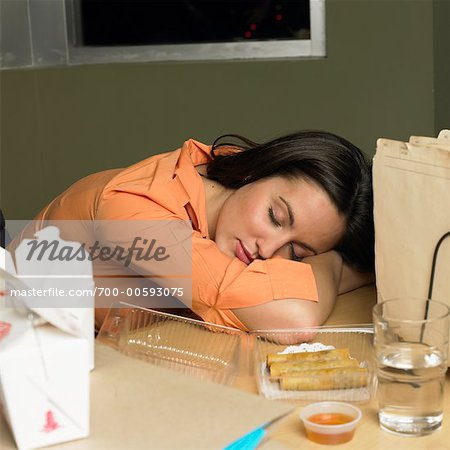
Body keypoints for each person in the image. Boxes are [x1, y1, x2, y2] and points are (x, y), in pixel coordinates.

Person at [10, 130, 374, 332]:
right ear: (255, 171)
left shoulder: (230, 191)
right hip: (25, 344)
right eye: (276, 217)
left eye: (297, 253)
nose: (270, 250)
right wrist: (336, 265)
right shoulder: (134, 212)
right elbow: (293, 320)